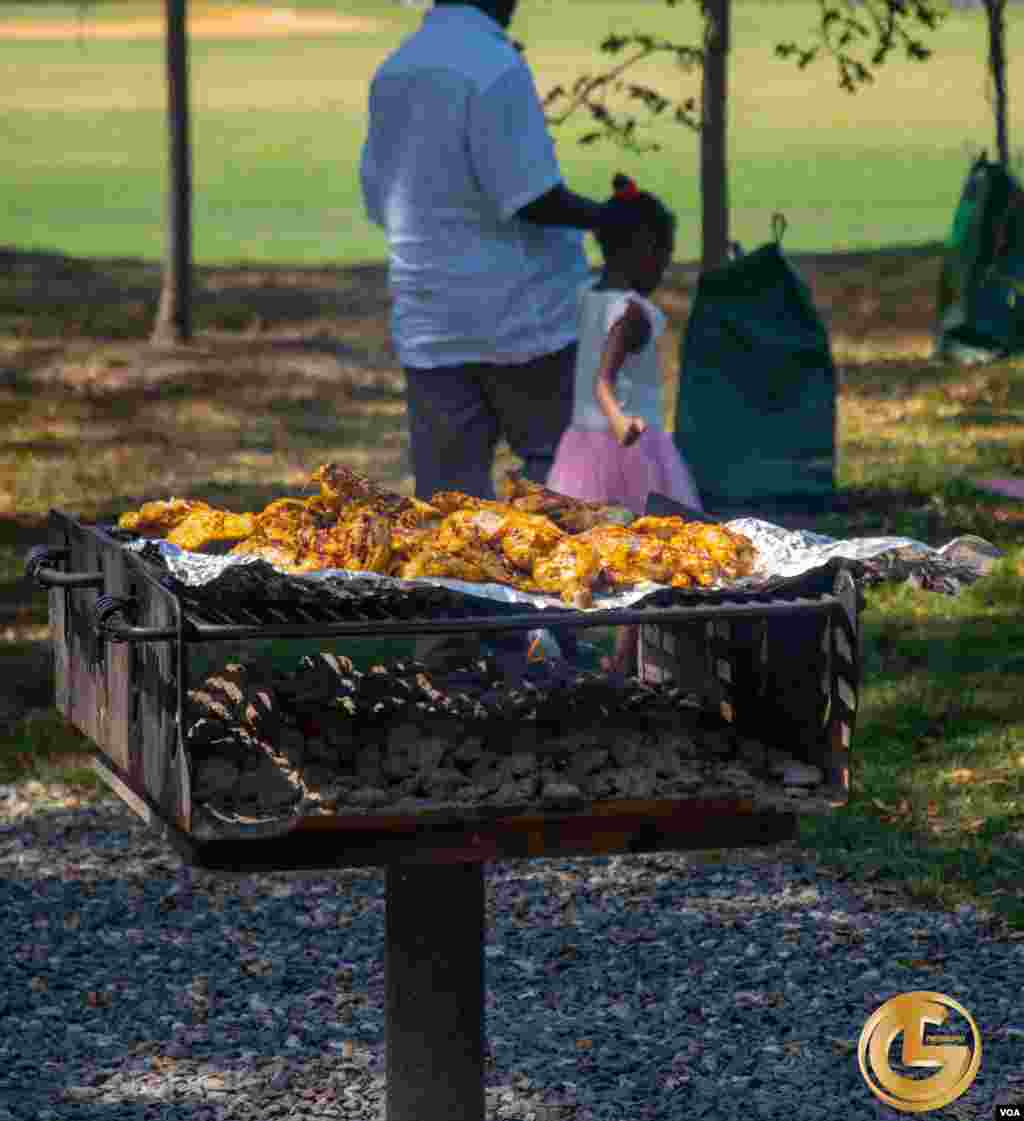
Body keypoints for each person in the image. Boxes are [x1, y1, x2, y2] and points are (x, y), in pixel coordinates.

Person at [359, 0, 640, 669]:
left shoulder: (395, 69)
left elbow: (379, 199)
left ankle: (449, 655)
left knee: (446, 501)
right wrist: (607, 218)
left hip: (431, 324)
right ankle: (550, 633)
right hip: (521, 321)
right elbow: (529, 195)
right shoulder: (493, 68)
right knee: (553, 482)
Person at [547, 174, 703, 674]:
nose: (665, 265)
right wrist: (618, 419)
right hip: (630, 450)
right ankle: (626, 660)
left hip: (579, 447)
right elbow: (602, 380)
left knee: (595, 556)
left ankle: (589, 654)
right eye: (663, 252)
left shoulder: (588, 296)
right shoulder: (632, 312)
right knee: (653, 552)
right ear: (639, 248)